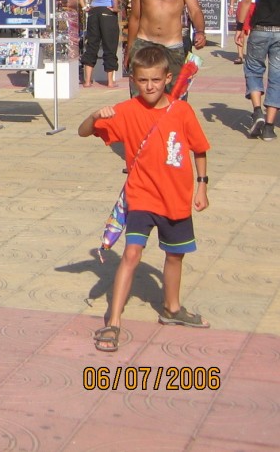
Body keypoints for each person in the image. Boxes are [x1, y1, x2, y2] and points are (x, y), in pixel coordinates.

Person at [79, 45, 210, 352]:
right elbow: (84, 131)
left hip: (176, 198)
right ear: (133, 80)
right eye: (142, 80)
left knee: (175, 255)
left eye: (155, 80)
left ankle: (172, 308)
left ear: (168, 77)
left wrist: (202, 186)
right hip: (141, 196)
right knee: (131, 254)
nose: (149, 86)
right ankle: (113, 321)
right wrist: (94, 114)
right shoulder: (126, 112)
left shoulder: (182, 110)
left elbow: (199, 148)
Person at [235, 0, 280, 141]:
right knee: (277, 76)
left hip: (260, 26)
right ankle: (270, 126)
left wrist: (240, 25)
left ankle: (257, 111)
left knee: (253, 69)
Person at [77, 0, 120, 88]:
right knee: (110, 45)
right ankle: (110, 81)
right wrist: (115, 8)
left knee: (92, 45)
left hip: (94, 12)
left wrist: (85, 7)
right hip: (107, 11)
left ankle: (87, 81)